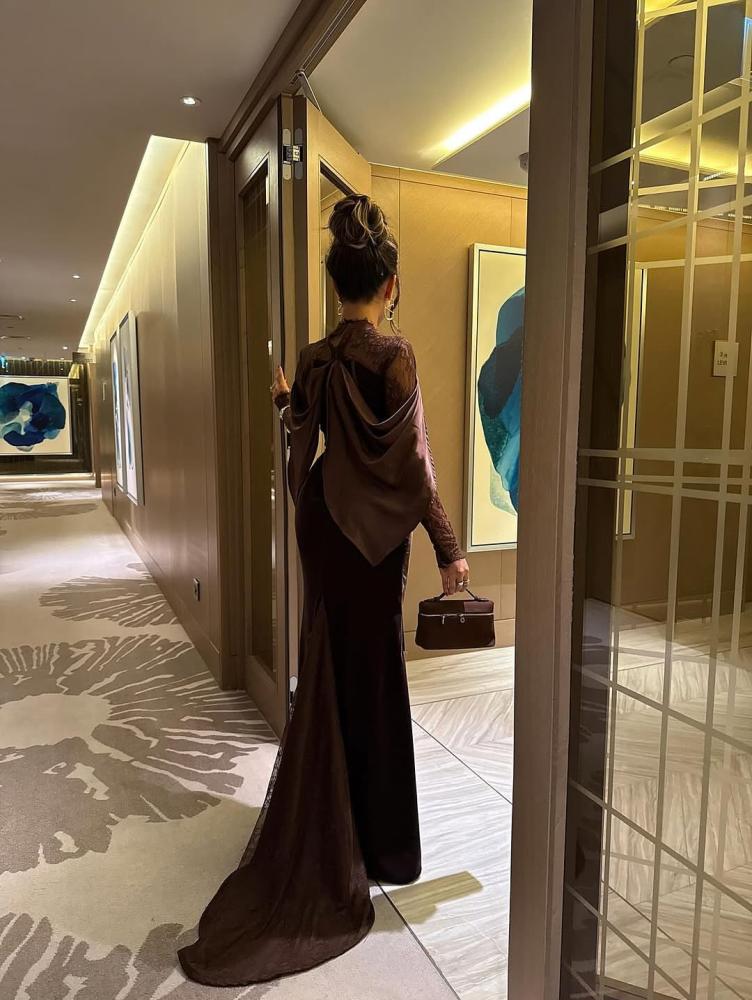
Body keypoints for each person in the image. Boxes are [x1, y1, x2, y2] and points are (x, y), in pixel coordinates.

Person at [178, 194, 470, 987]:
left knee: (330, 669)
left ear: (337, 282)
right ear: (390, 285)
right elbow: (414, 467)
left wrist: (283, 399)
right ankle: (378, 846)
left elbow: (304, 424)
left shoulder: (311, 357)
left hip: (324, 525)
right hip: (371, 542)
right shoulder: (395, 355)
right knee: (375, 677)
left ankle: (331, 820)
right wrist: (449, 549)